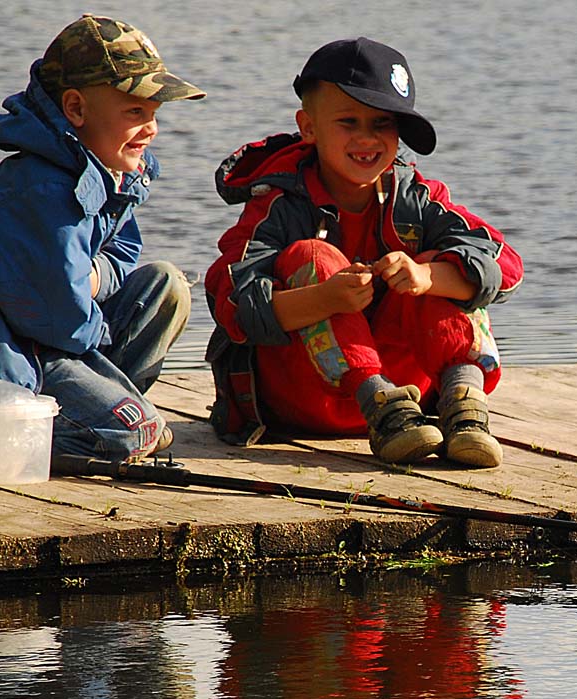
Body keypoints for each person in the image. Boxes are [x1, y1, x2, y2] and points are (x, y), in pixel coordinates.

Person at [205, 38, 523, 468]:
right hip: (304, 395)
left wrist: (429, 277)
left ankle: (465, 408)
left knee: (440, 264)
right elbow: (229, 300)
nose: (366, 139)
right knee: (313, 256)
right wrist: (325, 299)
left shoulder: (415, 196)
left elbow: (506, 264)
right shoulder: (277, 204)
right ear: (309, 127)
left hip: (414, 403)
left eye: (382, 124)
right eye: (348, 121)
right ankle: (380, 406)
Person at [0, 14, 205, 460]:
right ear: (76, 109)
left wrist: (93, 278)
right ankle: (2, 434)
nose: (152, 129)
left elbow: (124, 250)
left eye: (154, 114)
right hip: (1, 359)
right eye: (135, 112)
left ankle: (103, 403)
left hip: (59, 336)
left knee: (166, 284)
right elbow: (55, 318)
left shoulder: (106, 170)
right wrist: (88, 312)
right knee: (136, 434)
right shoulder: (39, 190)